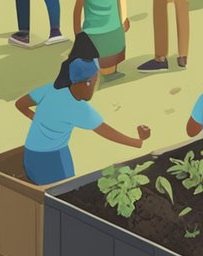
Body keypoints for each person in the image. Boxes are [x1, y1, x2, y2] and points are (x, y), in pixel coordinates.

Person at [16, 58, 151, 185]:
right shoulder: (77, 107)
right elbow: (107, 132)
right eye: (94, 82)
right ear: (87, 82)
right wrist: (138, 142)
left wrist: (41, 121)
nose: (94, 88)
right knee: (65, 192)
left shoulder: (51, 88)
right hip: (52, 160)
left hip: (30, 156)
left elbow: (20, 104)